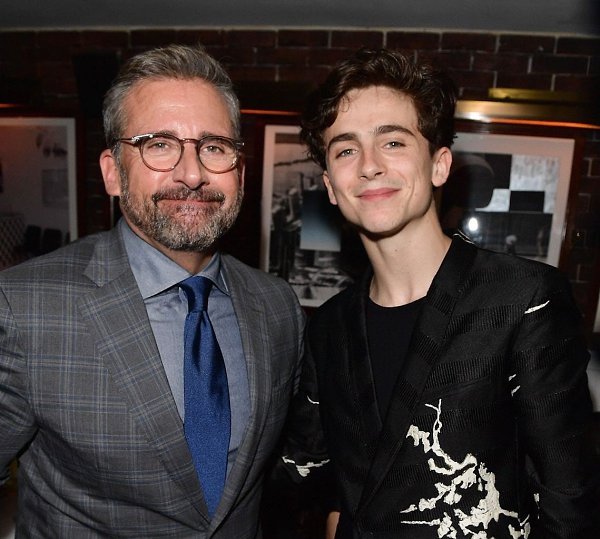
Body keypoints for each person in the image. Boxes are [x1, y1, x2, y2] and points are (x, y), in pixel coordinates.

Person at [281, 48, 598, 538]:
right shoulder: (328, 326)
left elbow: (569, 500)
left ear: (439, 165)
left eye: (392, 142)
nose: (368, 165)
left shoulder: (523, 298)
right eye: (345, 150)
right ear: (330, 185)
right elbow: (309, 471)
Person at [0, 44, 305, 538]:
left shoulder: (278, 307)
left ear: (241, 172)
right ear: (112, 172)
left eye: (214, 147)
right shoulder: (24, 306)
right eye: (159, 145)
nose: (192, 173)